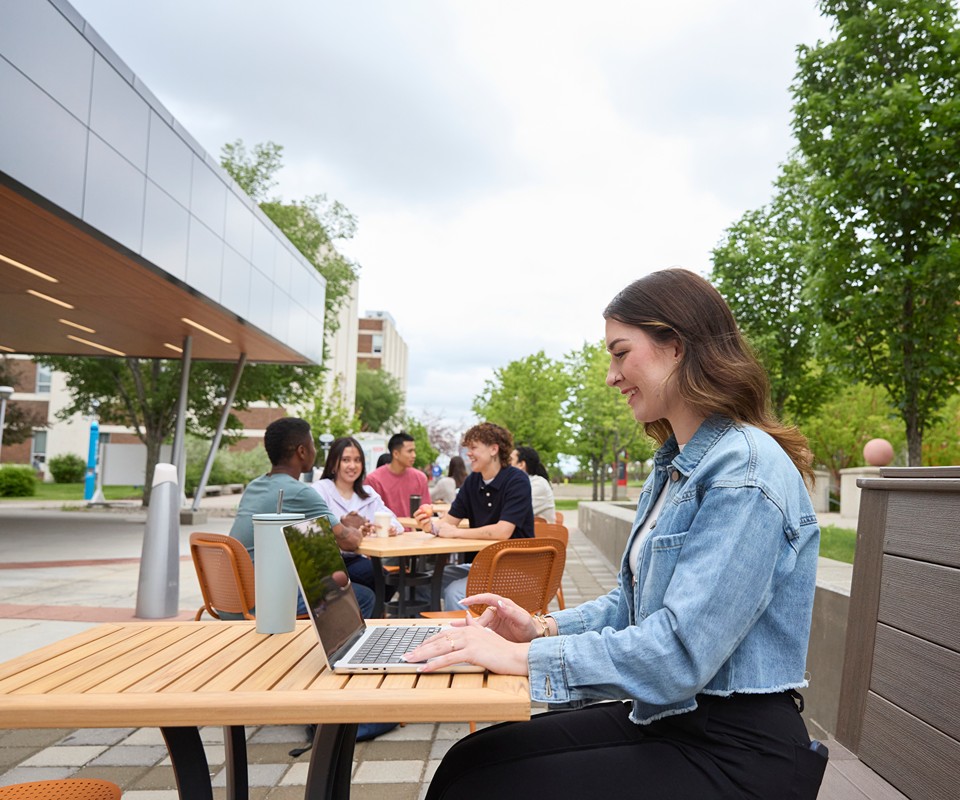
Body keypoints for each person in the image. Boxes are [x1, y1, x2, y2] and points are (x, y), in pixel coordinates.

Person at [406, 269, 827, 799]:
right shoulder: (676, 466)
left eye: (620, 352)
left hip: (736, 750)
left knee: (489, 784)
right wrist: (540, 629)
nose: (611, 374)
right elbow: (635, 606)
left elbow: (677, 654)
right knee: (469, 762)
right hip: (672, 718)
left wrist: (519, 659)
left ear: (676, 347)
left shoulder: (743, 474)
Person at [229, 417, 376, 619]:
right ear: (302, 451)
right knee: (364, 596)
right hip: (263, 601)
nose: (314, 451)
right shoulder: (299, 492)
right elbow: (349, 542)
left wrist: (340, 525)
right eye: (312, 444)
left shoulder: (254, 486)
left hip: (232, 596)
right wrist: (355, 529)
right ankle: (348, 650)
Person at [413, 422, 534, 611]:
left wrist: (454, 533)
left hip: (515, 570)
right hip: (483, 566)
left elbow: (502, 532)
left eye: (474, 447)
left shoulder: (517, 480)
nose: (468, 453)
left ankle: (466, 640)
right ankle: (426, 636)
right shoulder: (473, 481)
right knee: (422, 583)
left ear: (494, 449)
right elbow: (448, 522)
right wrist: (431, 525)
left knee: (456, 593)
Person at [311, 436, 403, 598]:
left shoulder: (368, 494)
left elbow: (396, 523)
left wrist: (382, 528)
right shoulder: (320, 490)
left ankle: (372, 615)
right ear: (333, 464)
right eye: (346, 460)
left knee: (388, 580)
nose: (352, 466)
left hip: (358, 558)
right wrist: (348, 528)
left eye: (357, 460)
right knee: (378, 579)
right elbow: (315, 531)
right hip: (329, 562)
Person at [366, 431, 432, 520]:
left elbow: (426, 511)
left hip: (414, 533)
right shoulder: (374, 480)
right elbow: (368, 514)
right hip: (384, 532)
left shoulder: (420, 478)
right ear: (396, 454)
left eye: (414, 451)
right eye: (409, 451)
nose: (414, 455)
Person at [510, 446, 556, 523]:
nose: (505, 463)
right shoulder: (518, 483)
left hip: (542, 534)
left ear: (521, 464)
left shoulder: (538, 484)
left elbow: (513, 512)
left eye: (510, 460)